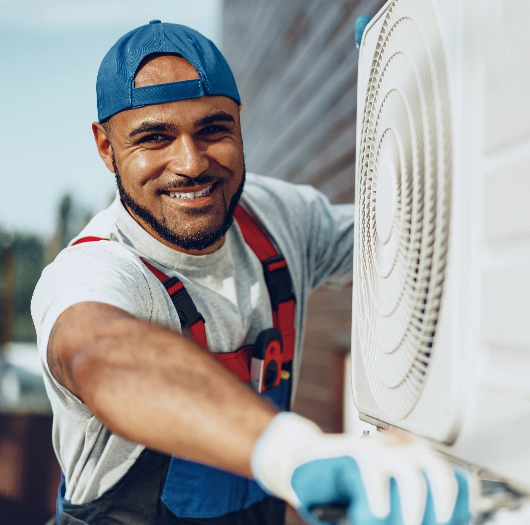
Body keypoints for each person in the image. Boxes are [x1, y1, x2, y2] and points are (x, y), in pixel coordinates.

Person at [32, 20, 470, 525]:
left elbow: (420, 235)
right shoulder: (97, 269)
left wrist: (406, 79)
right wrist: (295, 454)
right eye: (154, 138)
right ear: (107, 148)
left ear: (240, 123)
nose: (191, 163)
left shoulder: (279, 219)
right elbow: (99, 353)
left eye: (213, 130)